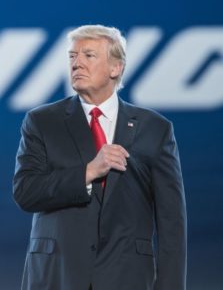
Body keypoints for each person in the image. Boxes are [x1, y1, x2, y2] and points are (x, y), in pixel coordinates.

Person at [12, 25, 187, 290]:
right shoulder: (42, 121)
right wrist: (88, 173)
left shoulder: (155, 128)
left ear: (115, 68)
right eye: (72, 56)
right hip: (57, 275)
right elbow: (26, 192)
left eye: (88, 56)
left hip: (127, 277)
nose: (76, 63)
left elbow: (172, 221)